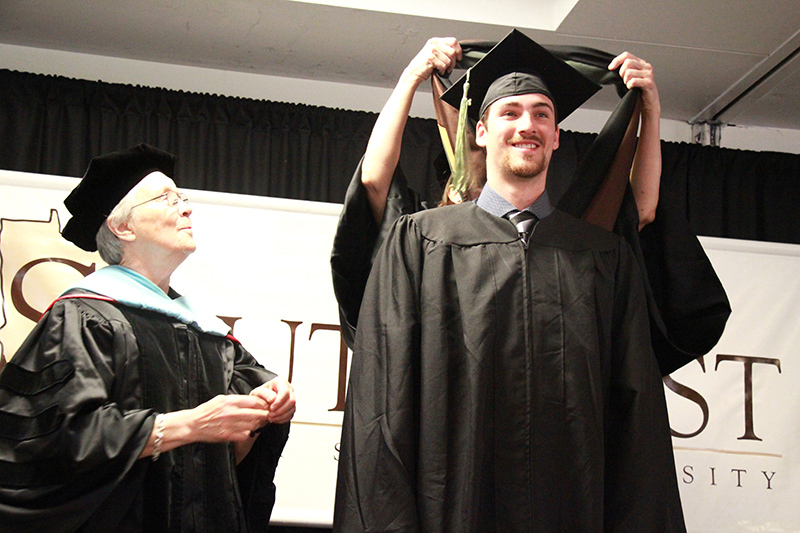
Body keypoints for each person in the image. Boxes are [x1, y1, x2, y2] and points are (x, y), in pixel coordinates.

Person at [334, 30, 685, 531]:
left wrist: (649, 107)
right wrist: (413, 76)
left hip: (570, 508)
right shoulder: (423, 242)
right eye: (510, 112)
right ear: (480, 132)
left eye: (543, 114)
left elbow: (636, 417)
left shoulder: (599, 256)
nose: (528, 125)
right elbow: (384, 399)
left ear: (558, 135)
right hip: (452, 505)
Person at [0, 143, 295, 532]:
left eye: (183, 197)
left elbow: (233, 460)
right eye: (167, 198)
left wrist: (265, 410)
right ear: (123, 227)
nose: (187, 207)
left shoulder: (208, 333)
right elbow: (60, 440)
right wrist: (188, 425)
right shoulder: (84, 317)